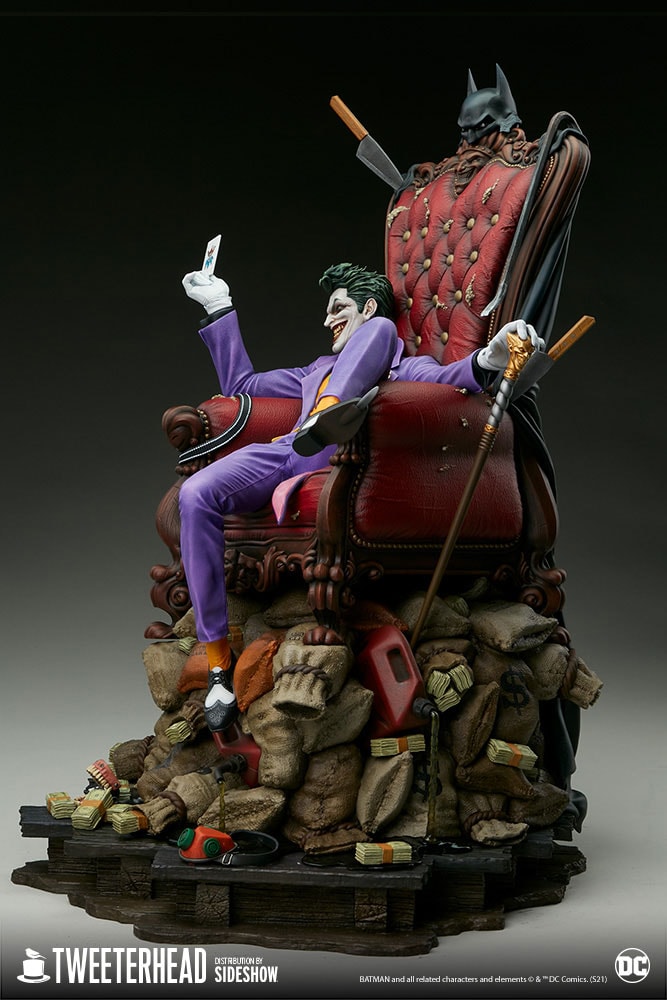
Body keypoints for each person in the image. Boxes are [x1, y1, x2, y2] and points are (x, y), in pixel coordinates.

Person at [179, 257, 543, 735]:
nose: (327, 319)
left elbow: (451, 380)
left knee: (381, 333)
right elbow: (242, 388)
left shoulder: (400, 361)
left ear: (367, 307)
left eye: (339, 308)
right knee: (195, 494)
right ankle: (218, 663)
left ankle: (330, 415)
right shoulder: (317, 368)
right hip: (289, 451)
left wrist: (489, 359)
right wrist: (218, 306)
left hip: (342, 459)